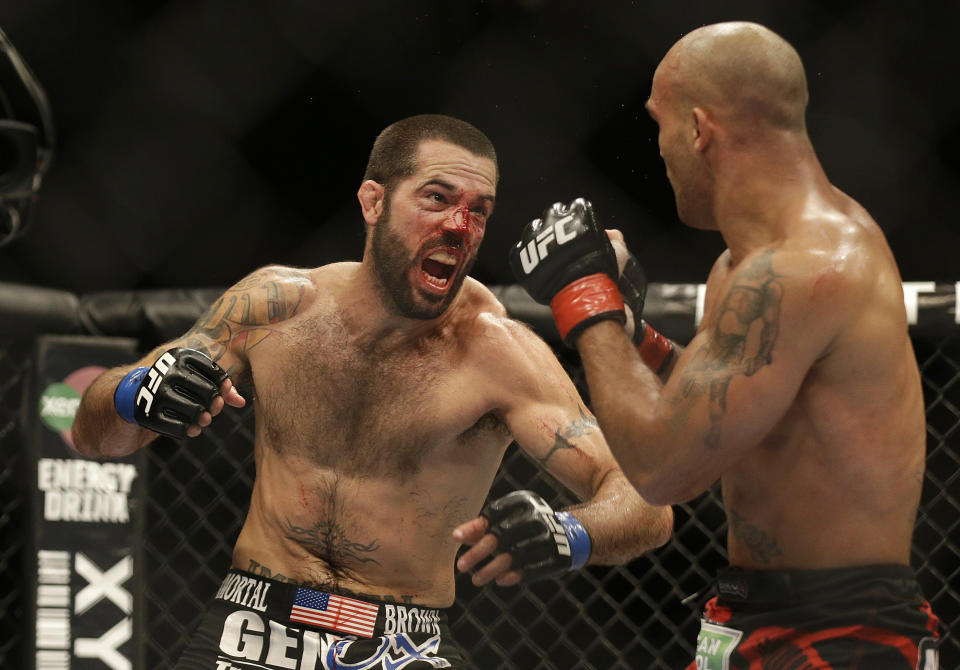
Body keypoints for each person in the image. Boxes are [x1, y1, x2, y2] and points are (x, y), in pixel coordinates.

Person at [72, 114, 673, 670]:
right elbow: (93, 435)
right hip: (248, 627)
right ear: (373, 201)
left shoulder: (497, 353)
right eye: (437, 198)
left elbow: (646, 498)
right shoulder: (276, 305)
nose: (458, 227)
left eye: (479, 211)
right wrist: (133, 394)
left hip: (401, 645)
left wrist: (571, 533)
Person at [510, 22, 941, 670]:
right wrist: (630, 331)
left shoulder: (810, 266)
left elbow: (664, 470)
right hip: (752, 615)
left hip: (842, 634)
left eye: (659, 125)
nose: (656, 149)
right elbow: (714, 419)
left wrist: (584, 298)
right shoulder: (742, 268)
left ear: (697, 130)